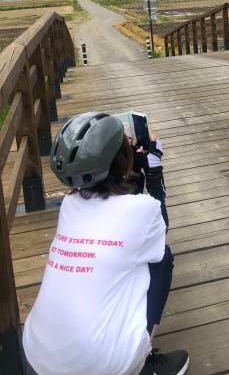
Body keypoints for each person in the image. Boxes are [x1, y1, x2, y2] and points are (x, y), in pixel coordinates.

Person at [22, 111, 189, 375]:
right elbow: (157, 236)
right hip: (103, 365)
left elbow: (117, 217)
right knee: (162, 259)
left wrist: (128, 170)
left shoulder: (68, 205)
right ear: (122, 161)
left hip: (37, 353)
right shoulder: (141, 209)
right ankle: (143, 363)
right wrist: (153, 170)